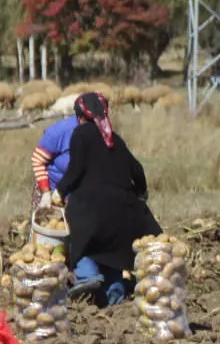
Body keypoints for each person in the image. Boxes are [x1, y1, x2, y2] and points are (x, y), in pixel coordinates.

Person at [57, 93, 161, 306]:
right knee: (112, 252)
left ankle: (88, 276)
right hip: (123, 213)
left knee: (82, 238)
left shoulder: (81, 134)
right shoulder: (114, 138)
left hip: (91, 210)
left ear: (80, 116)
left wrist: (58, 191)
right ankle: (115, 296)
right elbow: (137, 170)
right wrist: (141, 193)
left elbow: (74, 171)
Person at [31, 113, 79, 209]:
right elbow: (37, 160)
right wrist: (46, 192)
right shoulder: (59, 132)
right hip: (53, 192)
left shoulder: (104, 132)